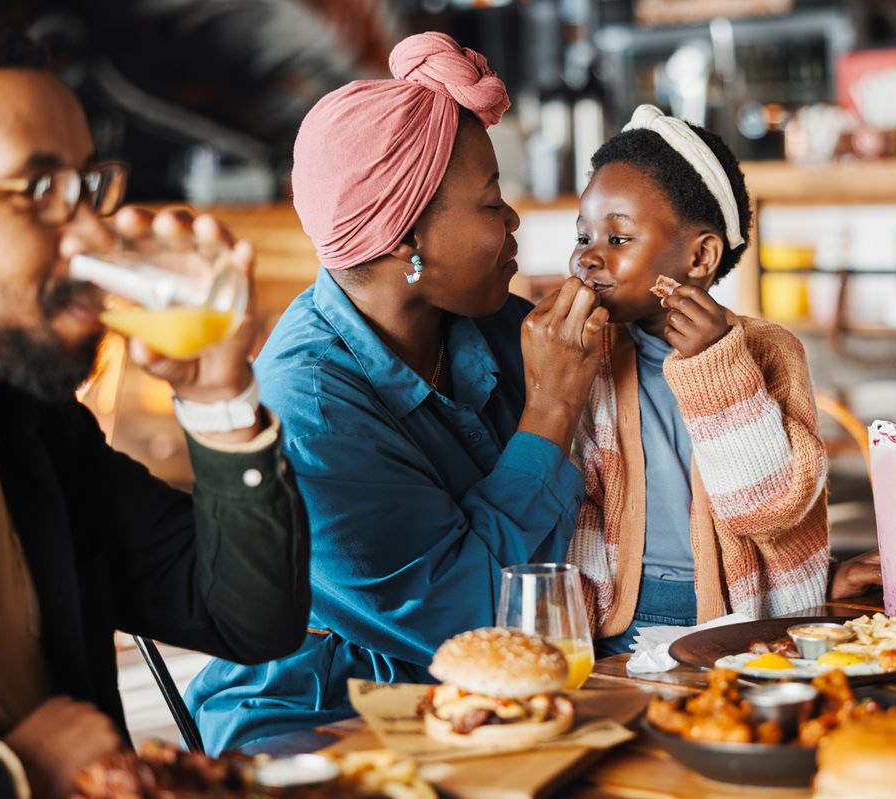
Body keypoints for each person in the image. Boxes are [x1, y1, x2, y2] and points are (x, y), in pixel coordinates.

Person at [185, 32, 607, 753]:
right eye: (491, 201)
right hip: (317, 713)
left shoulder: (496, 324)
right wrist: (552, 411)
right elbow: (469, 613)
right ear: (406, 241)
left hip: (484, 695)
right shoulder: (308, 405)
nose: (513, 222)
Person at [0, 21, 310, 799]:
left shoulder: (35, 429)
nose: (90, 230)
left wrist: (217, 394)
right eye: (39, 190)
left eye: (87, 186)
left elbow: (251, 621)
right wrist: (8, 771)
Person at [565, 106, 896, 654]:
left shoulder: (768, 352)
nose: (590, 258)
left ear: (700, 257)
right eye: (583, 236)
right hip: (609, 632)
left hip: (738, 630)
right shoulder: (583, 354)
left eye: (618, 239)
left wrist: (715, 367)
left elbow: (769, 508)